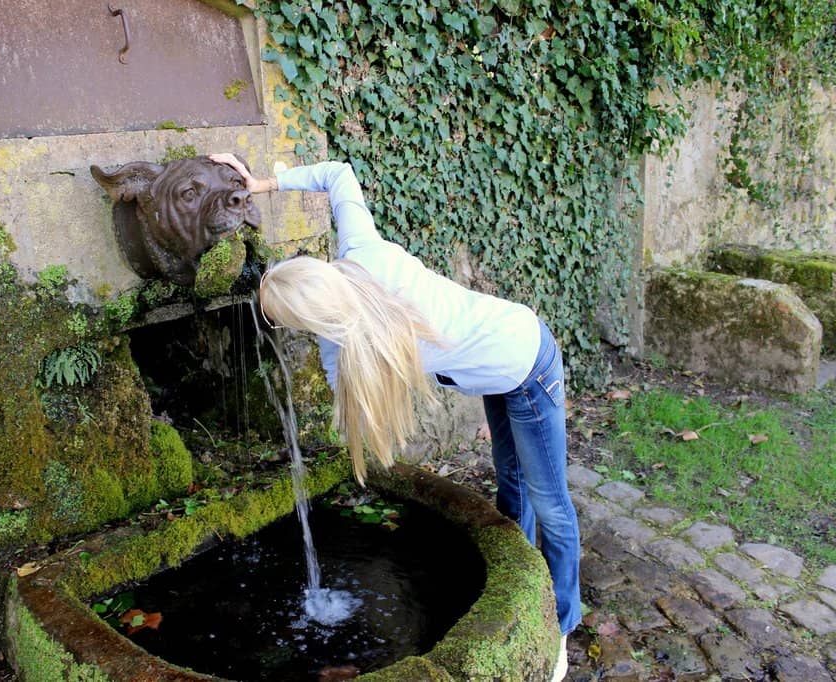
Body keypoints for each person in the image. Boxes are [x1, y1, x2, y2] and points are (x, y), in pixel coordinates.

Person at [210, 153, 579, 681]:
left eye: (277, 317)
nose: (278, 326)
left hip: (526, 360)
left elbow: (338, 171)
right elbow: (339, 175)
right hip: (490, 373)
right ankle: (522, 595)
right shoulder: (343, 327)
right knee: (512, 486)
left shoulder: (362, 262)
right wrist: (260, 183)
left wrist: (266, 181)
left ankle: (560, 625)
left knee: (551, 504)